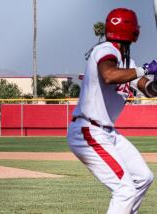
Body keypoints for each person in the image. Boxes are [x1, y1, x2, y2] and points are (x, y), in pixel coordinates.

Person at [67, 8, 156, 213]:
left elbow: (148, 90)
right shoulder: (105, 50)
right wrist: (145, 69)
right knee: (125, 190)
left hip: (107, 133)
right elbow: (109, 75)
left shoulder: (128, 64)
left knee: (143, 177)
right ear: (131, 30)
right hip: (88, 130)